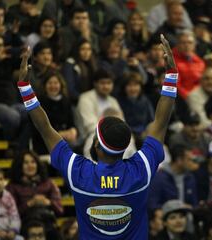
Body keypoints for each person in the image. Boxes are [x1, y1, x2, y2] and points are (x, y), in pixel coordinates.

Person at [17, 34, 178, 238]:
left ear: (96, 147)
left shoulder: (79, 174)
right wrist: (171, 74)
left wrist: (25, 88)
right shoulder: (141, 169)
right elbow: (161, 122)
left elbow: (44, 128)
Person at [7, 150, 63, 217]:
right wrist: (30, 203)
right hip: (24, 222)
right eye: (26, 163)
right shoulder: (12, 186)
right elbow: (11, 214)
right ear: (20, 166)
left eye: (33, 162)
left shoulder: (49, 183)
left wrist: (47, 202)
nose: (30, 165)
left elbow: (60, 210)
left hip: (47, 220)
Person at [148, 144, 198, 210]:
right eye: (189, 160)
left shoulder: (190, 178)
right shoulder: (158, 179)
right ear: (179, 160)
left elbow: (194, 204)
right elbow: (153, 205)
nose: (192, 163)